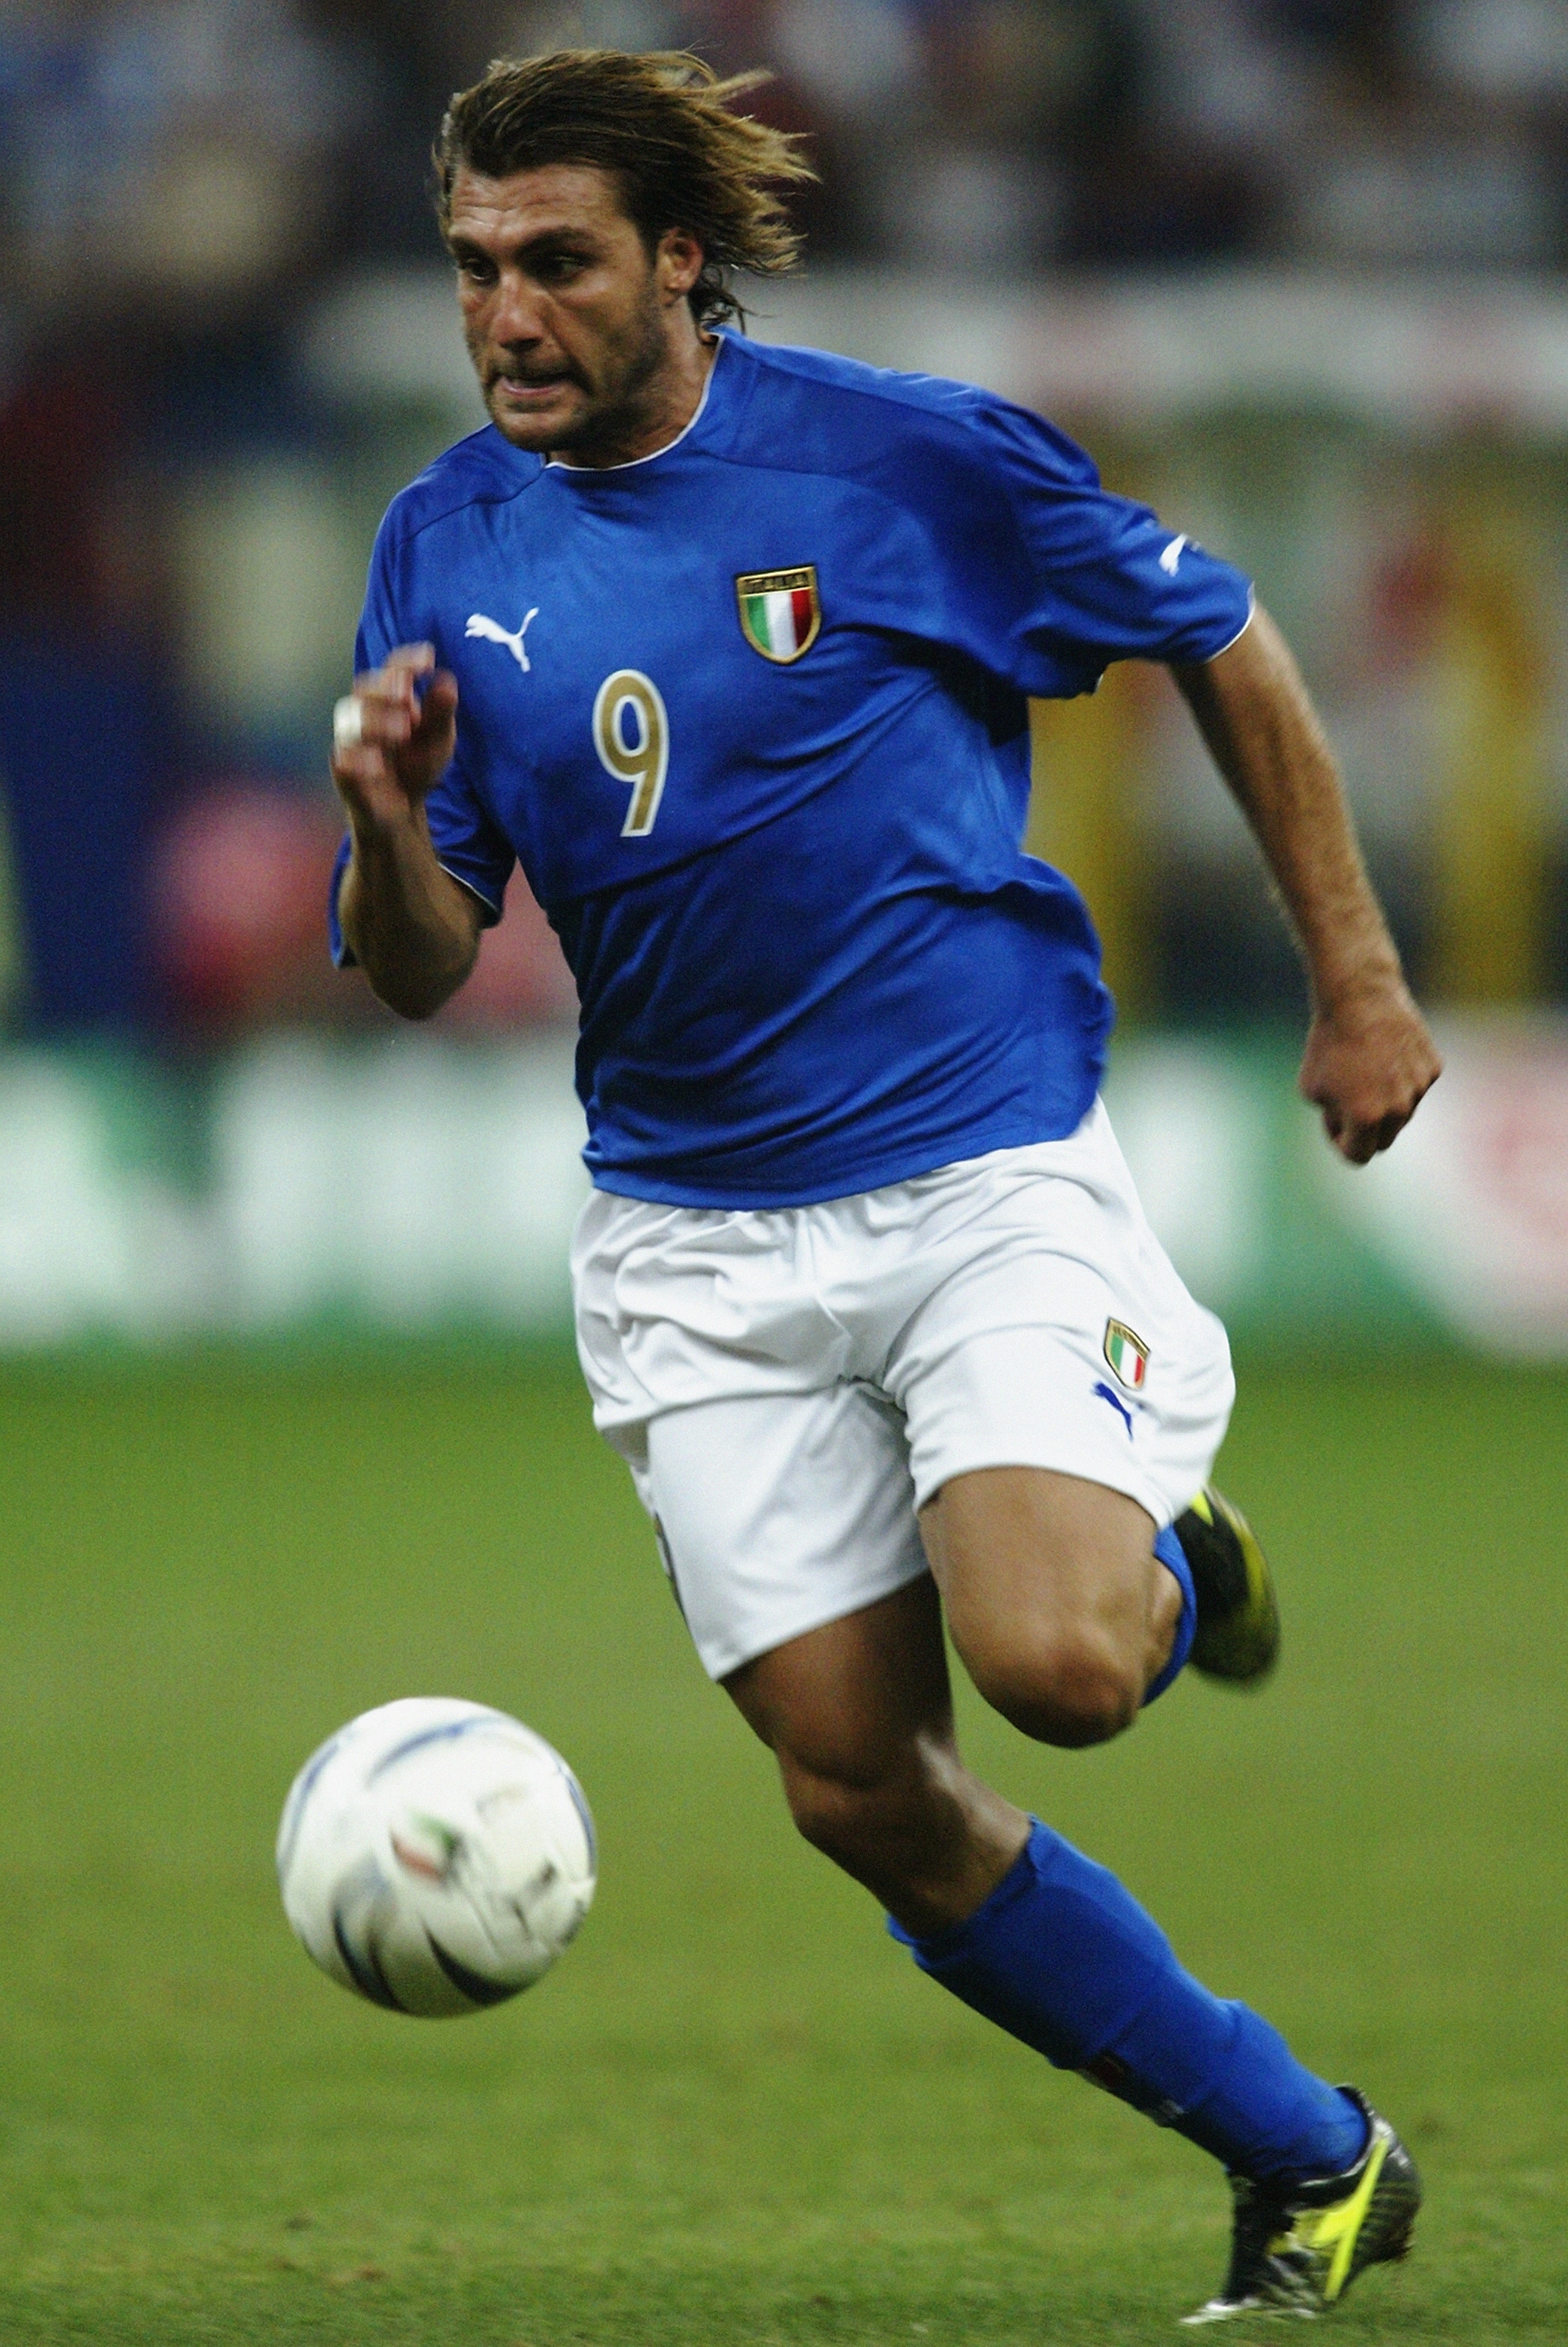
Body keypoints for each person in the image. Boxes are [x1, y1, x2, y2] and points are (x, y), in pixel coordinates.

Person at [327, 48, 1440, 2325]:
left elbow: (1212, 628)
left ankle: (1150, 1535)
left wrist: (1359, 982)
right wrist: (379, 808)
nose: (507, 316)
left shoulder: (900, 460)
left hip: (975, 1173)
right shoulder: (444, 539)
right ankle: (1312, 2157)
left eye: (555, 264)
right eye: (472, 270)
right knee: (863, 1798)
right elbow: (425, 971)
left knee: (1056, 1669)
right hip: (688, 1247)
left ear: (675, 264)